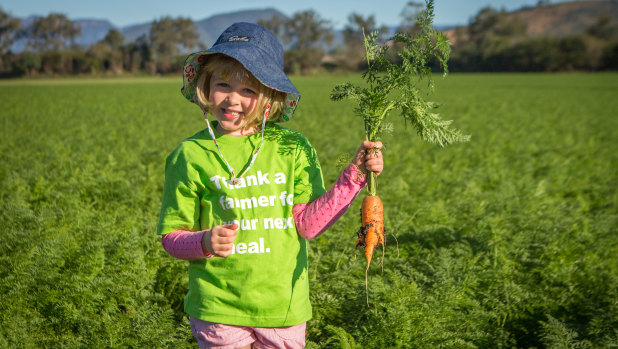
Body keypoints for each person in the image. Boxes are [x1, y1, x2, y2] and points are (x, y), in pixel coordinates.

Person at [157, 22, 383, 349]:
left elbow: (308, 225)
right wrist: (204, 241)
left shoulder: (293, 147)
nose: (233, 99)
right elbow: (170, 236)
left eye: (248, 89)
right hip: (218, 307)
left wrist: (356, 175)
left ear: (271, 96)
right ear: (206, 85)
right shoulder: (189, 155)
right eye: (223, 84)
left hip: (283, 307)